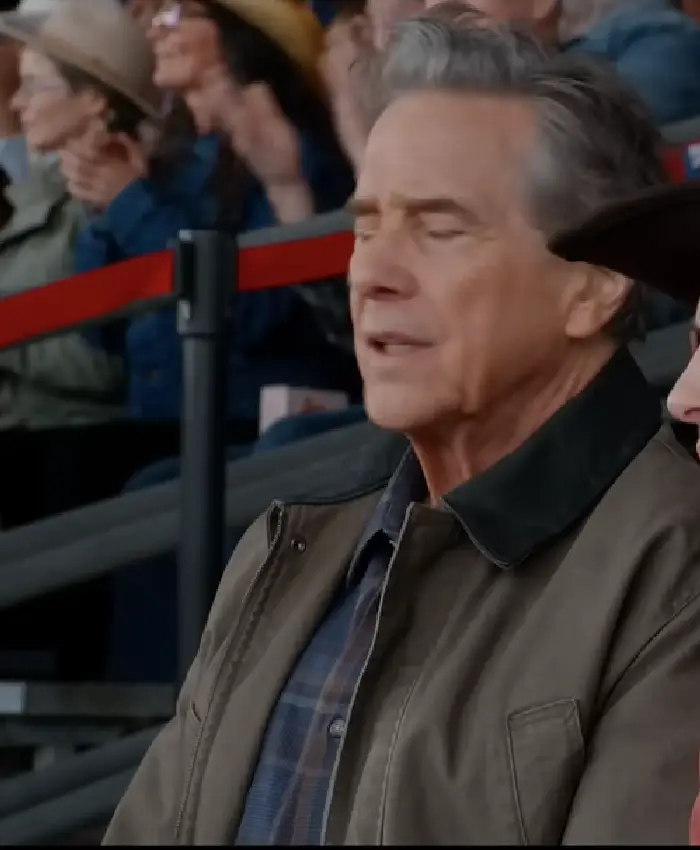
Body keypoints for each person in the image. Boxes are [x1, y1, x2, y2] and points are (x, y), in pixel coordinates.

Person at [104, 18, 700, 845]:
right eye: (364, 228)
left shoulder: (675, 562)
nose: (373, 275)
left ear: (596, 284)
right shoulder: (289, 546)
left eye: (439, 229)